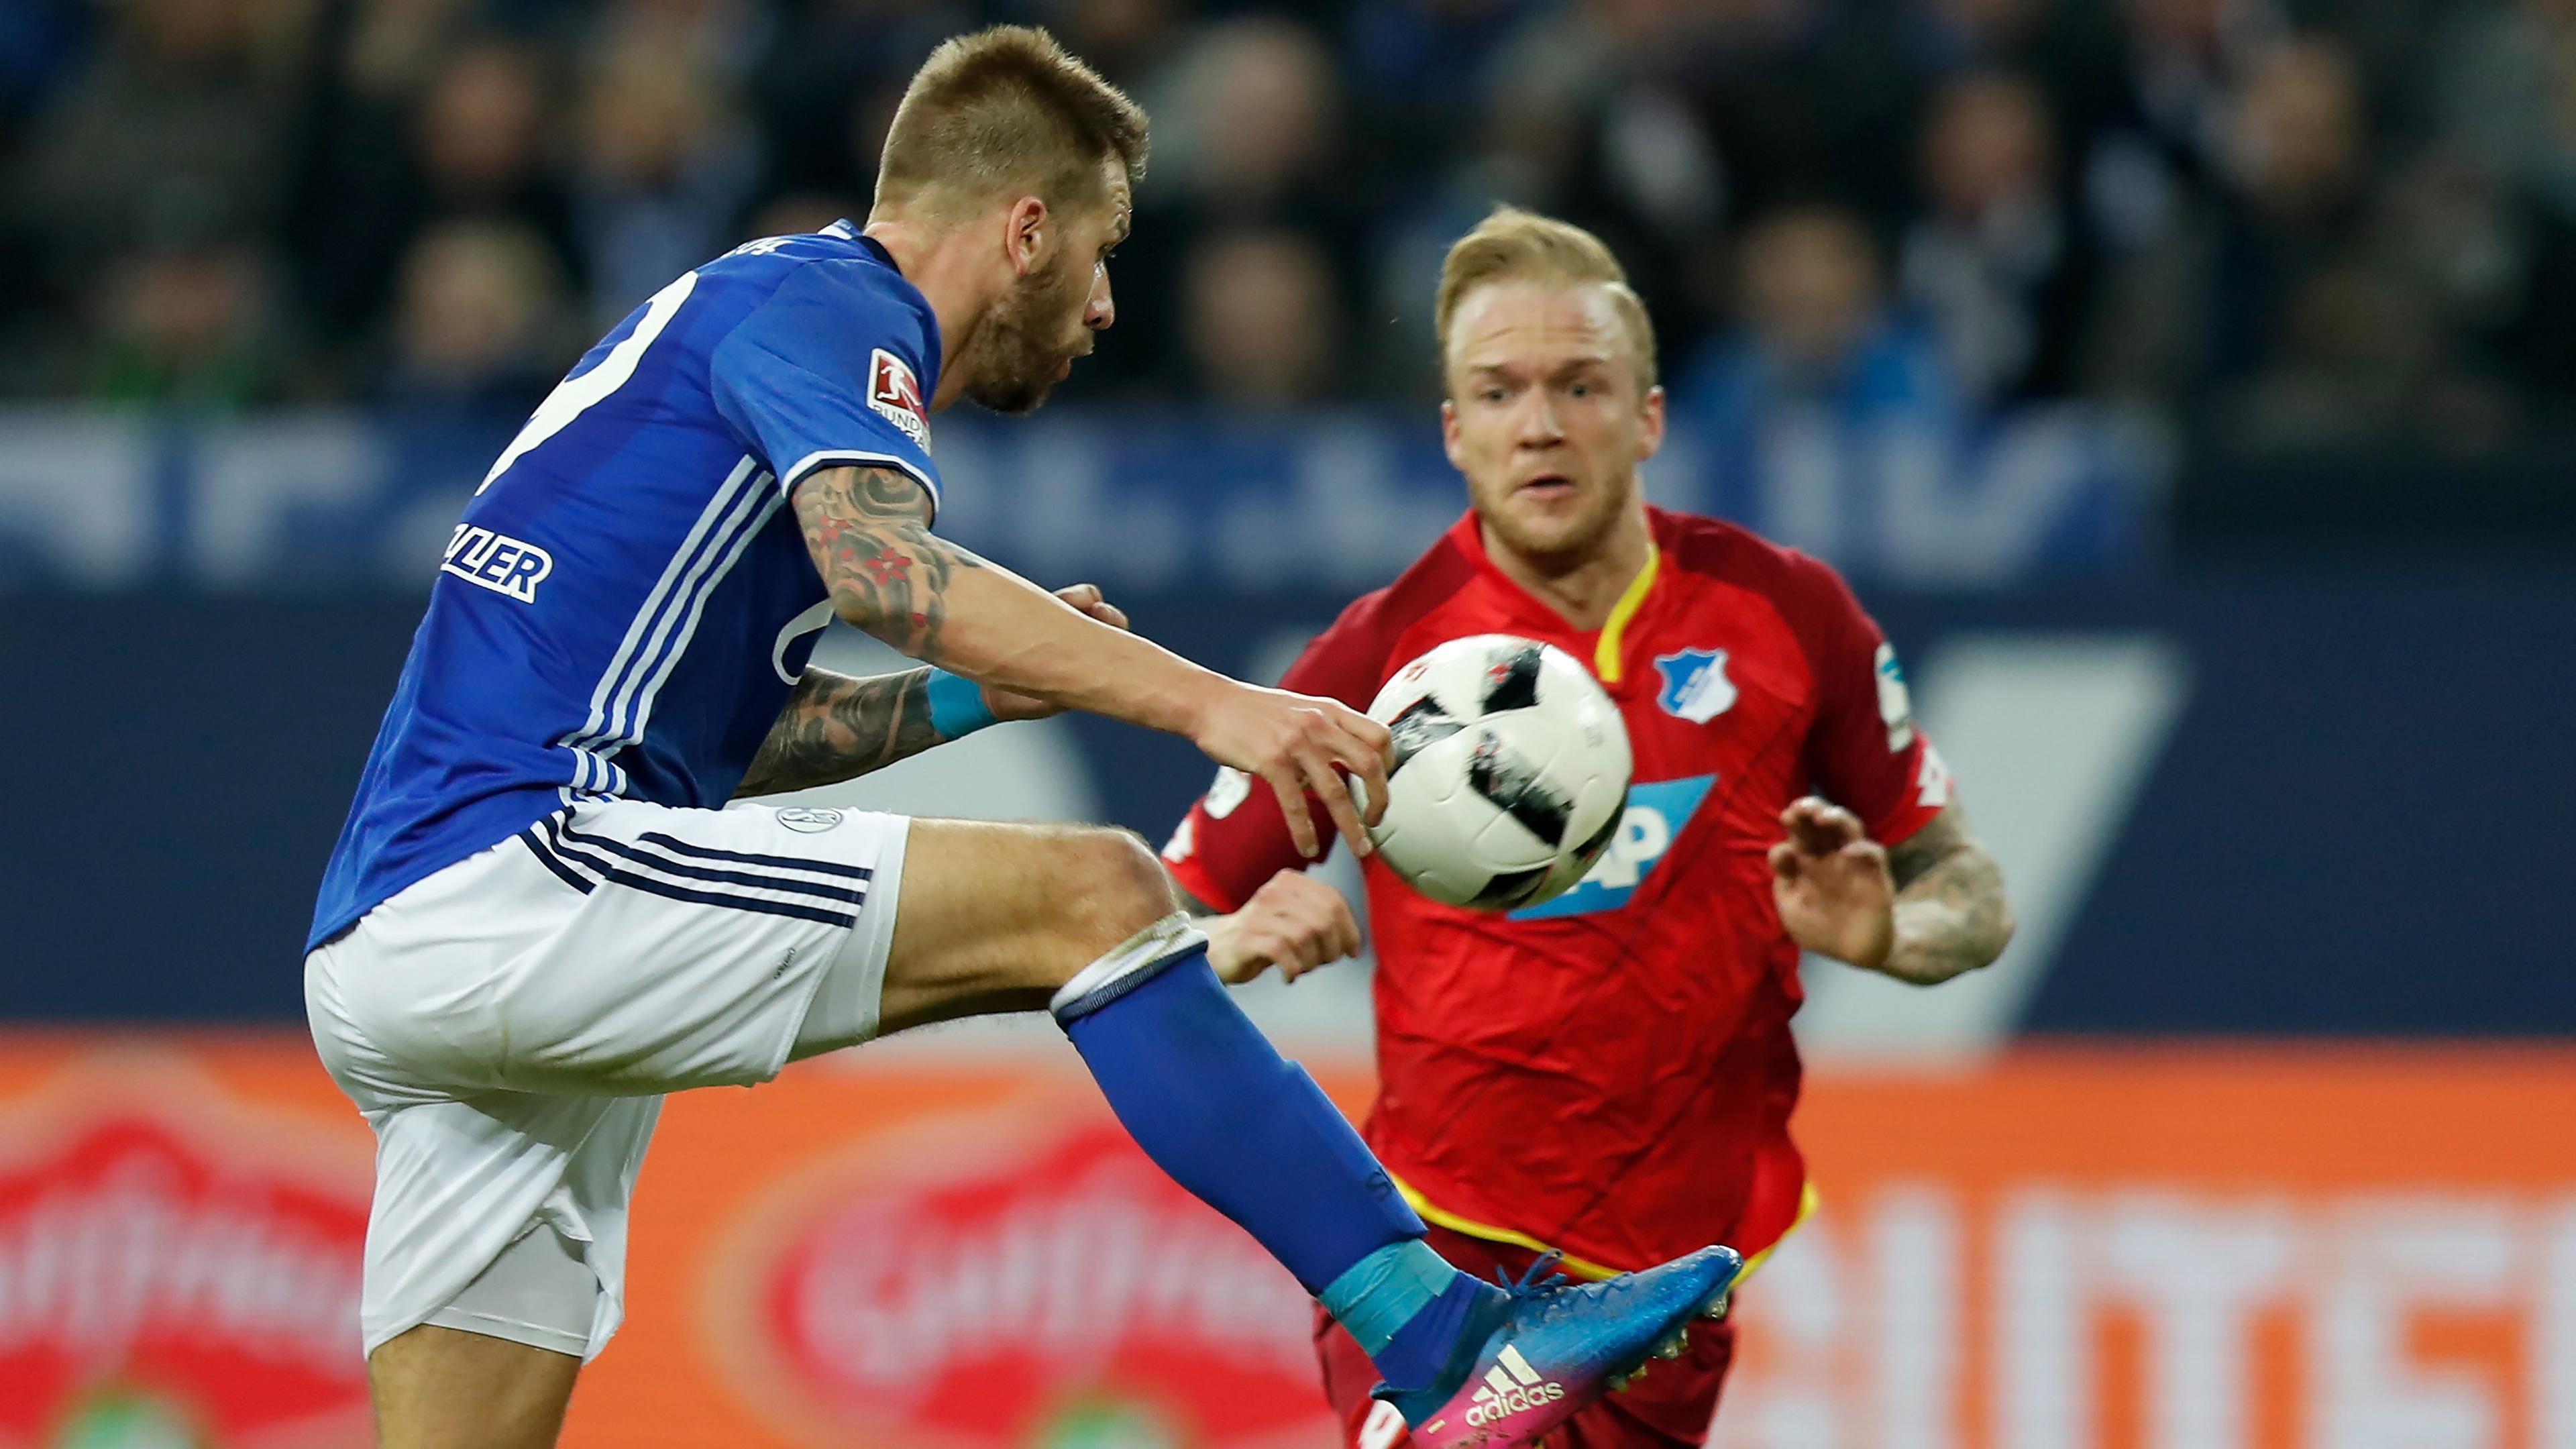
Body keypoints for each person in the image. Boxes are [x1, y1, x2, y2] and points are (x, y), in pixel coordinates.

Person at [301, 29, 1737, 1449]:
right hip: (520, 874)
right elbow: (889, 575)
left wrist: (978, 696)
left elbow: (740, 742)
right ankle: (1445, 1340)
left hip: (410, 937)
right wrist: (1220, 706)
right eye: (1103, 254)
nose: (1105, 305)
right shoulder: (833, 305)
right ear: (1028, 230)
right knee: (1095, 895)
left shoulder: (745, 325)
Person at [1162, 207, 2017, 1449]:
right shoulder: (1377, 661)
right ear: (1454, 431)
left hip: (1673, 1286)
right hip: (1434, 1256)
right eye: (1498, 391)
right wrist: (1231, 937)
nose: (1541, 424)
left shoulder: (1786, 615)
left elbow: (1969, 890)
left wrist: (1893, 934)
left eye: (1579, 385)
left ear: (1649, 415)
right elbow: (1143, 928)